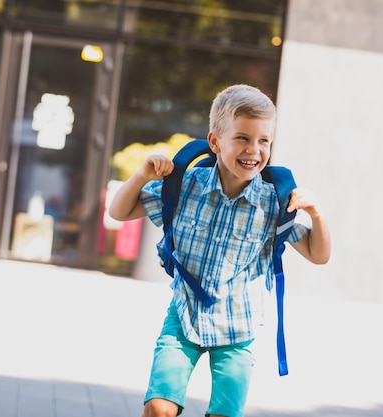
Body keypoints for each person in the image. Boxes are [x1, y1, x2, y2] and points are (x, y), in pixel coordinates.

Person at [109, 84, 331, 417]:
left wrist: (316, 214)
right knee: (158, 407)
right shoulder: (185, 186)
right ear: (215, 142)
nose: (253, 150)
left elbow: (318, 255)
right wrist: (142, 176)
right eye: (242, 138)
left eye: (263, 141)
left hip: (237, 330)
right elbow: (119, 212)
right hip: (184, 317)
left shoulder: (273, 203)